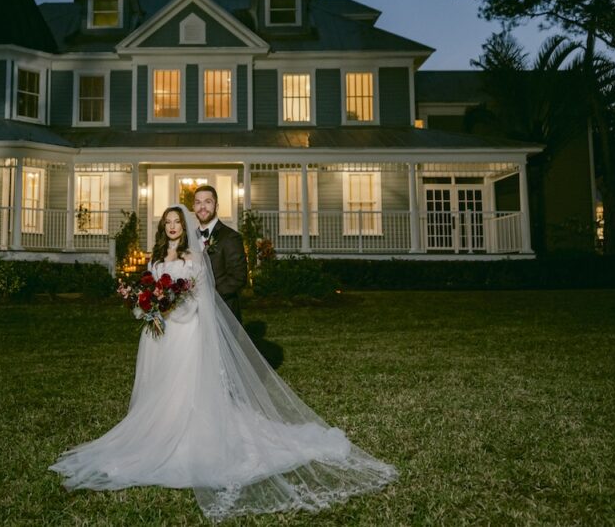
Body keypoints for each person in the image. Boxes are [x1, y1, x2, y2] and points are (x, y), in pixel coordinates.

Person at [50, 205, 396, 521]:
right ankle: (154, 427)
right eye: (166, 223)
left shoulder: (192, 257)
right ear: (162, 228)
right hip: (157, 337)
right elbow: (149, 292)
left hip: (185, 333)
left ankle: (181, 433)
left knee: (183, 388)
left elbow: (199, 300)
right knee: (158, 386)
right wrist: (147, 308)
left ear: (183, 228)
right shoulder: (155, 259)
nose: (172, 227)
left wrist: (173, 311)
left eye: (176, 223)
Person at [192, 185, 247, 323]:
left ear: (216, 206)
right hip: (193, 314)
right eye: (198, 202)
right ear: (193, 207)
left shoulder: (230, 237)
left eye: (207, 202)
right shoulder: (189, 239)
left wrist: (209, 295)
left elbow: (238, 277)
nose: (202, 207)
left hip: (222, 312)